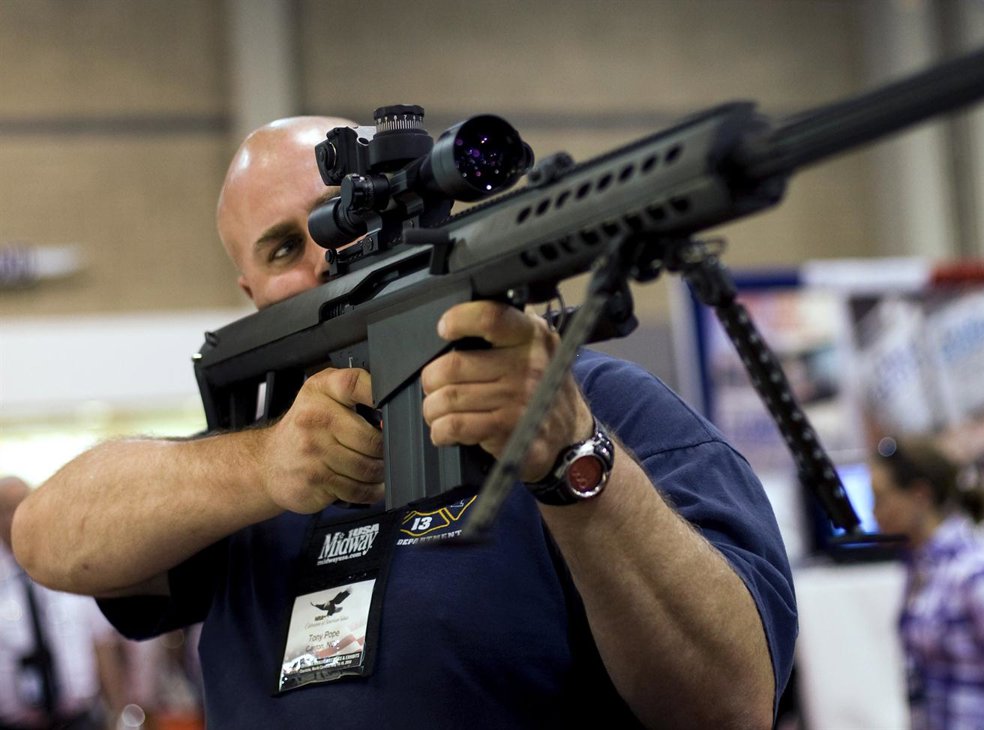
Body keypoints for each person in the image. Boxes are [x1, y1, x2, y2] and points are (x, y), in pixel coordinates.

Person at [12, 116, 797, 729]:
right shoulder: (253, 466)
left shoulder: (606, 405)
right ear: (251, 294)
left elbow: (730, 705)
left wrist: (571, 457)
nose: (325, 258)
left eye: (337, 218)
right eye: (283, 248)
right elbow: (45, 536)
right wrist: (261, 468)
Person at [870, 436, 984, 730]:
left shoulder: (975, 570)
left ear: (919, 495)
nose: (875, 513)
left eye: (881, 498)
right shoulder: (921, 569)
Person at [0, 476, 124, 730]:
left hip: (79, 718)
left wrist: (118, 709)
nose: (13, 519)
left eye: (21, 508)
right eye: (5, 510)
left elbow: (101, 643)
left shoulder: (69, 566)